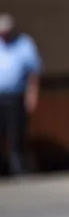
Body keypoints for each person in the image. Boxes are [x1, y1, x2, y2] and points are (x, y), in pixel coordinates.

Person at [0, 14, 41, 177]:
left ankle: (18, 167)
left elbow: (34, 72)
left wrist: (33, 94)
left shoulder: (23, 44)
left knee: (16, 133)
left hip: (16, 96)